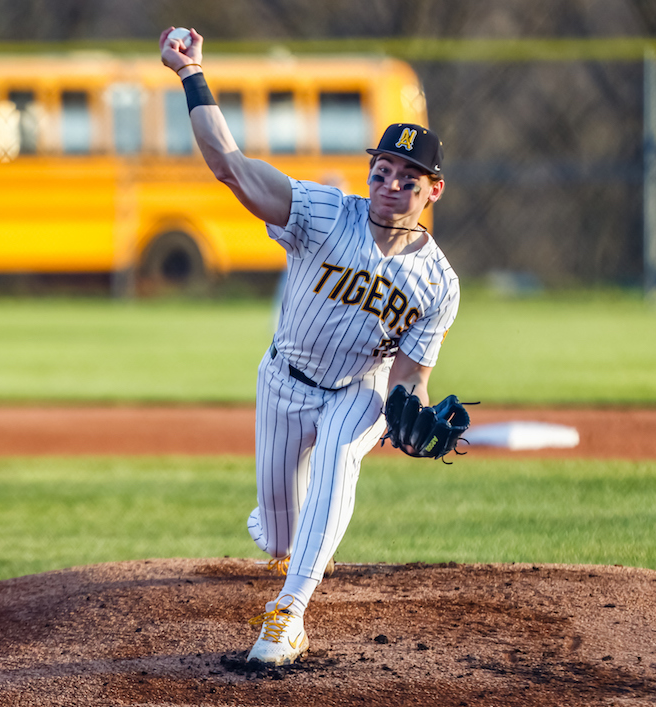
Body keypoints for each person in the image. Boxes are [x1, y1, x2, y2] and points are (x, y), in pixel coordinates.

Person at [160, 27, 460, 666]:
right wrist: (192, 75)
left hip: (358, 389)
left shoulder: (438, 284)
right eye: (384, 169)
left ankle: (288, 616)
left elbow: (410, 377)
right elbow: (229, 166)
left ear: (434, 190)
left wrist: (410, 414)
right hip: (283, 380)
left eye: (410, 176)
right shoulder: (321, 213)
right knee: (278, 534)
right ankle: (284, 550)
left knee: (338, 463)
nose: (392, 182)